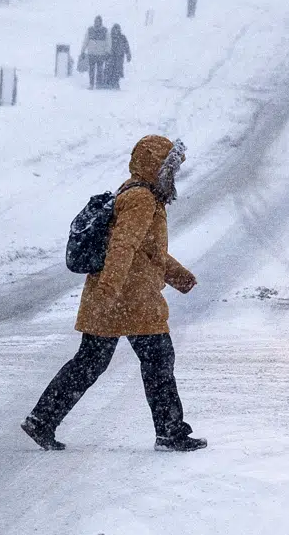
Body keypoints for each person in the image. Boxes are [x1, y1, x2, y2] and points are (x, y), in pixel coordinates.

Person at [21, 135, 206, 452]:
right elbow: (123, 246)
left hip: (118, 298)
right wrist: (110, 287)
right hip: (129, 300)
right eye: (168, 169)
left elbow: (148, 251)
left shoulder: (135, 192)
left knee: (89, 363)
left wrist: (180, 277)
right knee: (158, 362)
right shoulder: (141, 200)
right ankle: (170, 431)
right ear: (155, 168)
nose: (173, 176)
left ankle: (42, 419)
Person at [80, 16, 111, 88]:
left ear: (101, 22)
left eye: (98, 21)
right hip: (91, 53)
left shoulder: (105, 30)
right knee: (91, 70)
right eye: (96, 21)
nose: (97, 22)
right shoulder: (90, 30)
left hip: (101, 54)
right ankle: (91, 84)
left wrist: (107, 52)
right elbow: (85, 41)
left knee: (100, 70)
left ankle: (98, 84)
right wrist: (82, 51)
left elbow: (108, 42)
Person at [103, 24, 132, 89]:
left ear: (119, 30)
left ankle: (115, 83)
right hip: (110, 56)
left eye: (117, 29)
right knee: (108, 69)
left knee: (117, 70)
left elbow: (126, 46)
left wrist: (128, 54)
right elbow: (105, 46)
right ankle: (107, 82)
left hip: (119, 57)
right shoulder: (109, 37)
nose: (116, 31)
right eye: (114, 29)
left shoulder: (122, 37)